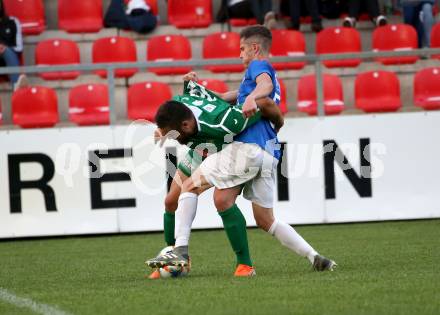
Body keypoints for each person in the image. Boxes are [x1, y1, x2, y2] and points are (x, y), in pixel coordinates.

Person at [147, 26, 336, 277]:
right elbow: (225, 97)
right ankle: (315, 257)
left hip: (248, 148)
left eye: (242, 49)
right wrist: (198, 90)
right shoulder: (252, 82)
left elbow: (264, 88)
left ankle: (180, 250)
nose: (240, 55)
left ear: (255, 48)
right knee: (262, 218)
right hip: (269, 154)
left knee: (190, 186)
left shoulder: (258, 69)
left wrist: (253, 97)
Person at [147, 80, 283, 279]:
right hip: (198, 151)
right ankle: (173, 257)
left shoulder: (225, 122)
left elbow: (264, 105)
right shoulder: (181, 106)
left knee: (222, 201)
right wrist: (162, 130)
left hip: (222, 153)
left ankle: (243, 263)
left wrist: (277, 125)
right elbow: (189, 95)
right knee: (170, 201)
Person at [0, 0, 27, 90]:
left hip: (9, 58)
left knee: (7, 51)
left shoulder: (13, 22)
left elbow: (19, 47)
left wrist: (4, 47)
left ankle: (16, 86)